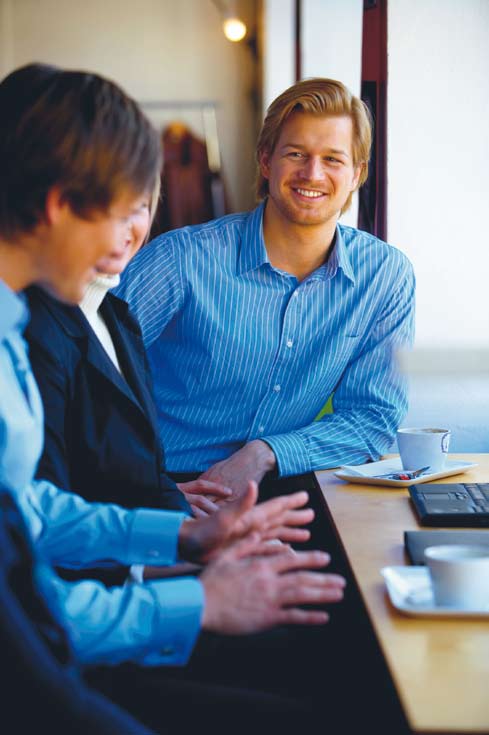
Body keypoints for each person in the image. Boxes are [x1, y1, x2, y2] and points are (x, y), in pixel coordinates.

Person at [0, 63, 346, 733]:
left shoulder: (17, 325)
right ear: (57, 204)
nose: (129, 237)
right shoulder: (37, 327)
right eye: (121, 208)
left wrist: (182, 534)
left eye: (144, 207)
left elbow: (29, 511)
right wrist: (194, 598)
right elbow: (26, 619)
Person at [117, 77, 415, 497]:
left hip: (286, 482)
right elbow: (85, 374)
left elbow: (372, 418)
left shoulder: (384, 277)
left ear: (356, 175)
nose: (312, 173)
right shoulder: (180, 259)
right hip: (164, 486)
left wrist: (265, 453)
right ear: (265, 161)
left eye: (333, 159)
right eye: (296, 153)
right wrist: (139, 489)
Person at [24, 183, 231, 519]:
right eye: (107, 206)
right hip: (95, 562)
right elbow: (48, 519)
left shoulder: (117, 316)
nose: (127, 226)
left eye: (139, 207)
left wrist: (197, 530)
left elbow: (149, 473)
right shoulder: (35, 330)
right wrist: (177, 546)